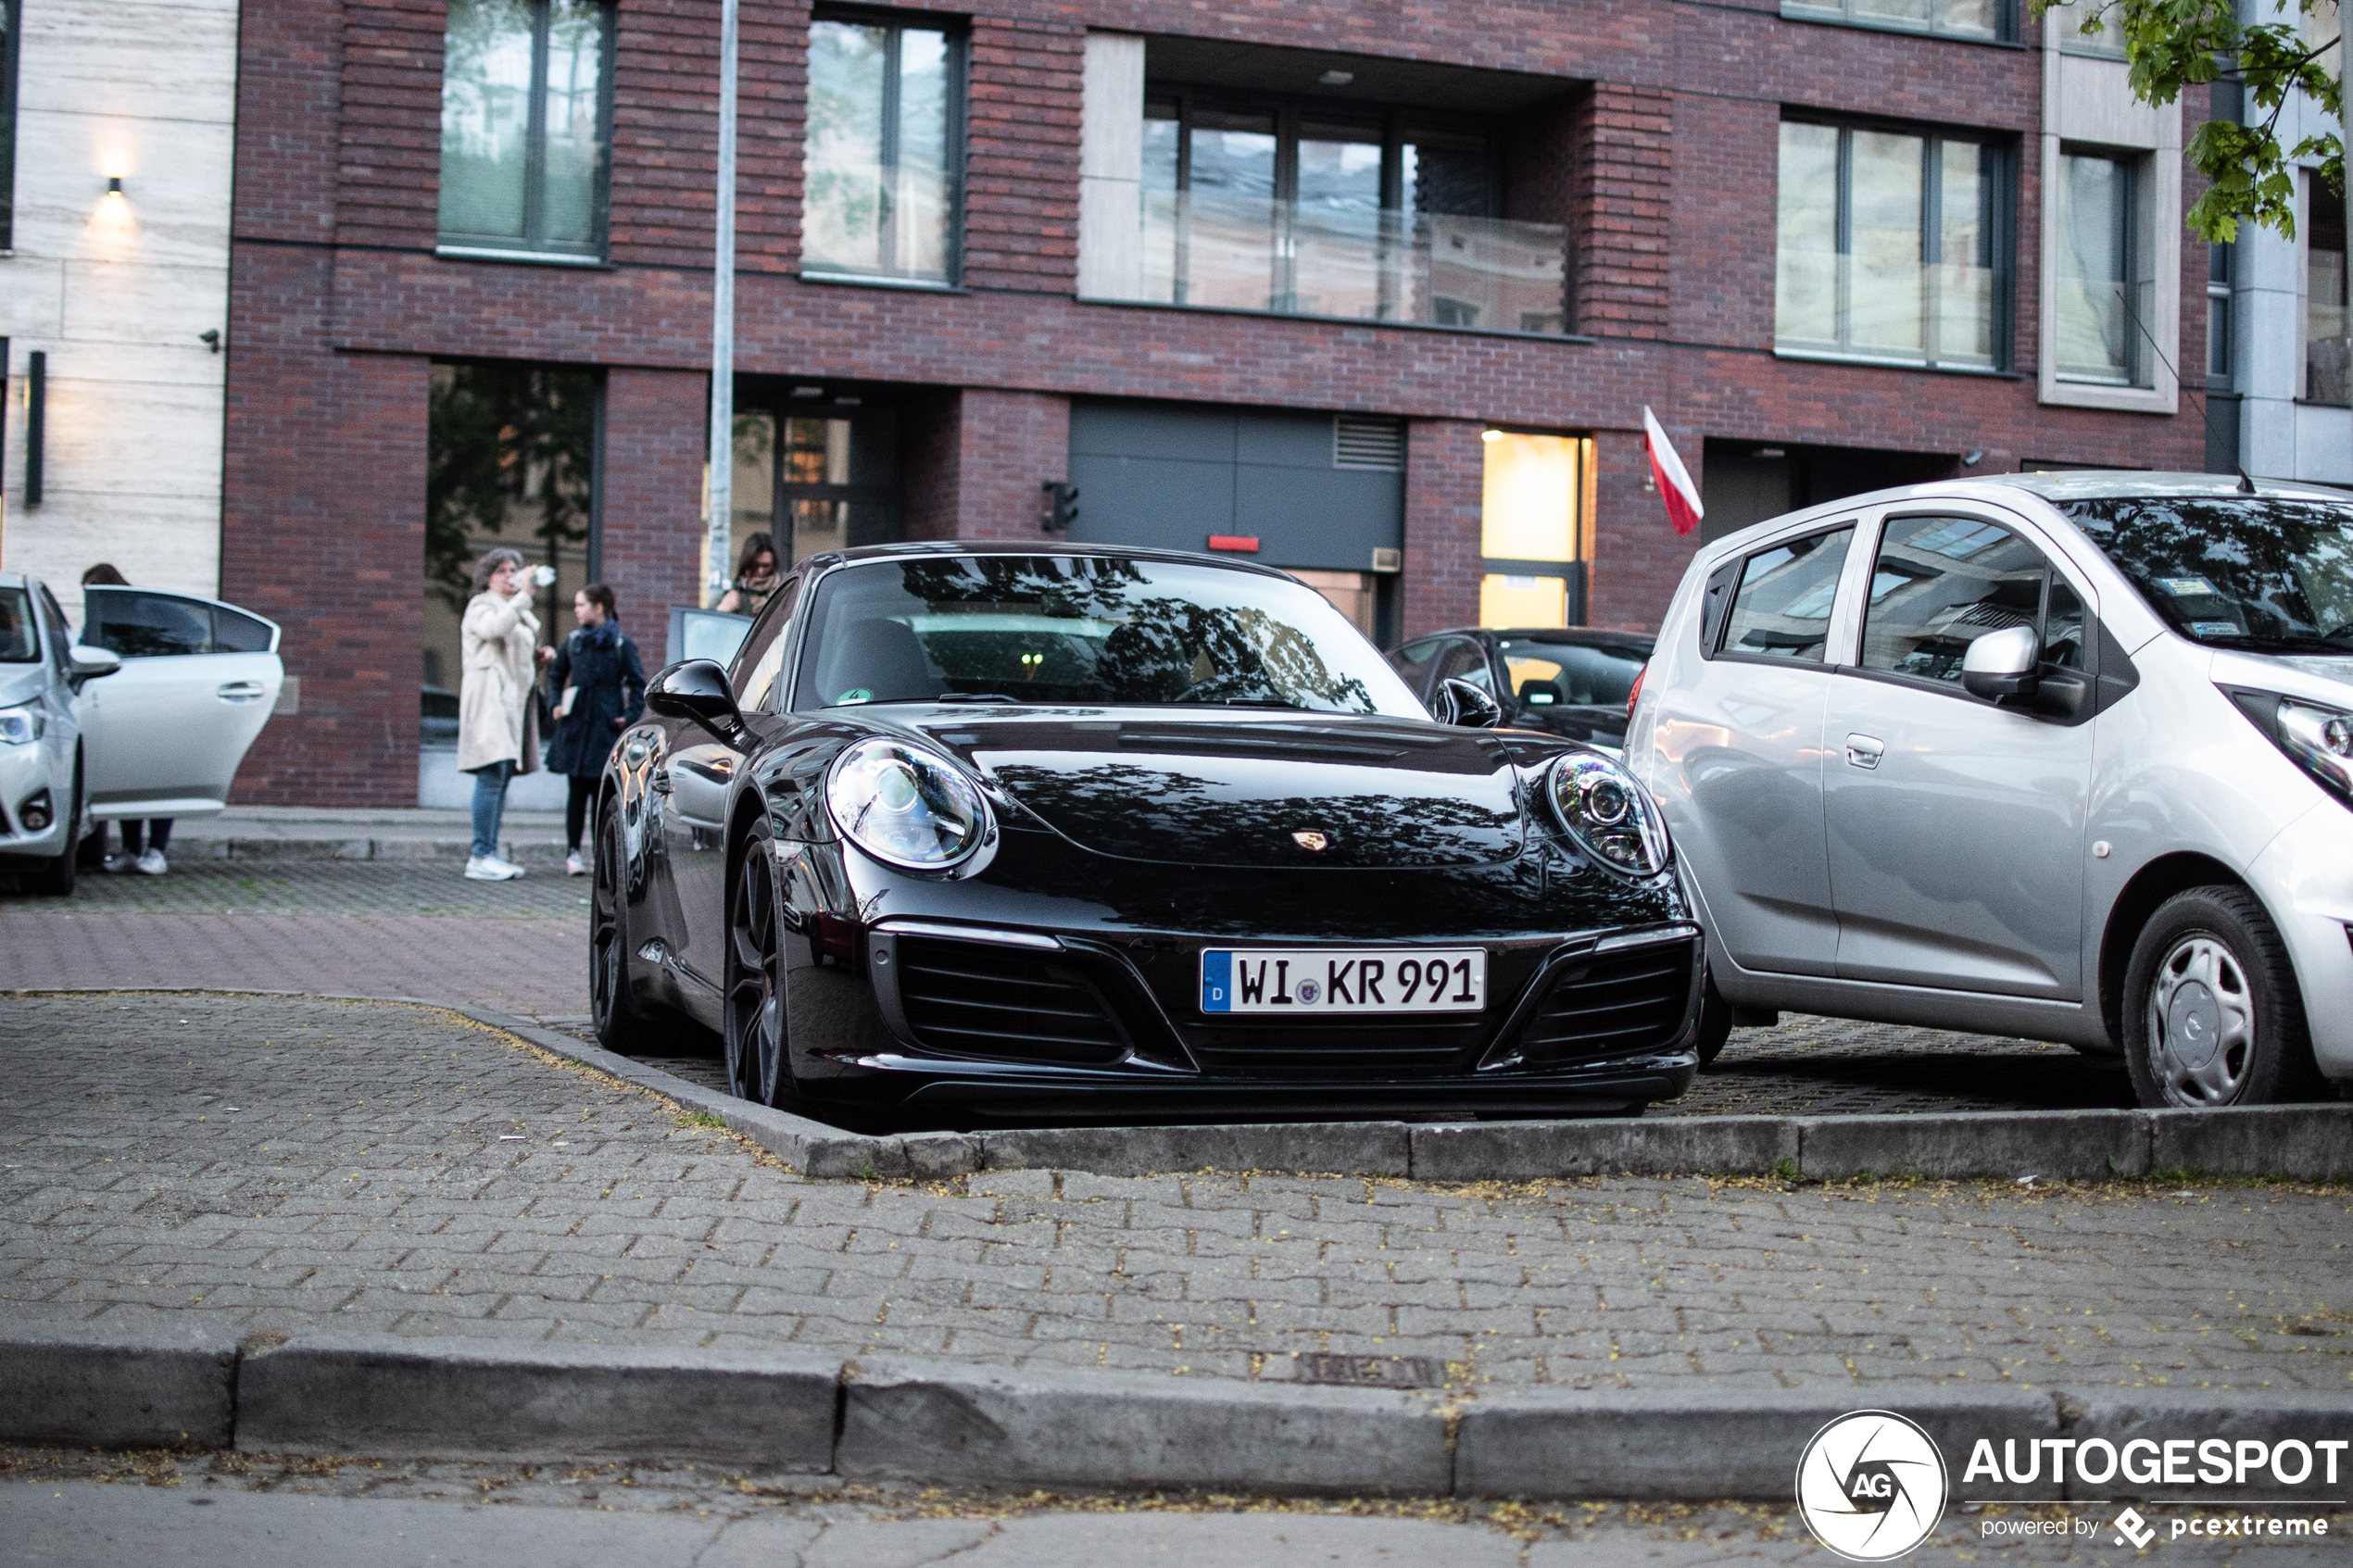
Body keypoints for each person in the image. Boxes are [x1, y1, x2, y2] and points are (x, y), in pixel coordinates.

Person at [458, 548, 550, 881]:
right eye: (503, 570)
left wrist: (538, 657)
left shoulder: (516, 610)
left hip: (511, 701)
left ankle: (489, 852)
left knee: (502, 774)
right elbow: (495, 630)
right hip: (490, 699)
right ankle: (480, 855)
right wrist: (524, 594)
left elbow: (513, 645)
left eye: (515, 569)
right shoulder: (481, 604)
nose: (511, 575)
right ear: (489, 577)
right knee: (492, 773)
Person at [543, 583, 646, 876]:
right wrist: (555, 705)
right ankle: (573, 853)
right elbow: (556, 674)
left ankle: (604, 855)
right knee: (576, 793)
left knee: (603, 795)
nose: (575, 610)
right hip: (577, 727)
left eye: (580, 604)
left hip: (605, 728)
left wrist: (629, 715)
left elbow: (638, 684)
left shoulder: (621, 645)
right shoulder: (574, 641)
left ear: (598, 607)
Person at [80, 564, 171, 875]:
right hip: (121, 703)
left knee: (158, 778)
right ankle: (132, 850)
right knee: (128, 776)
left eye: (92, 591)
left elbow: (190, 632)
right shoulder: (101, 618)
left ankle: (157, 850)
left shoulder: (144, 607)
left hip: (154, 702)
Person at [714, 533, 779, 618]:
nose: (760, 571)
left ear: (773, 565)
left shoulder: (783, 591)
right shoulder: (732, 592)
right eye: (755, 565)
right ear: (747, 564)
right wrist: (723, 611)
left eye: (765, 565)